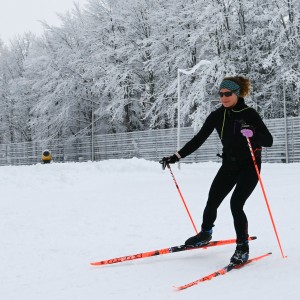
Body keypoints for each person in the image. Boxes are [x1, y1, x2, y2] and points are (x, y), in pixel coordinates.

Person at [160, 76, 273, 265]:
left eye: (228, 93)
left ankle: (242, 247)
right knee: (213, 199)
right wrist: (176, 156)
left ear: (237, 94)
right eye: (221, 94)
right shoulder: (217, 116)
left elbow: (268, 141)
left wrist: (253, 133)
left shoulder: (249, 113)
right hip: (229, 164)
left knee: (236, 204)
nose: (224, 97)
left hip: (249, 166)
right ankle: (205, 233)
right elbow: (198, 140)